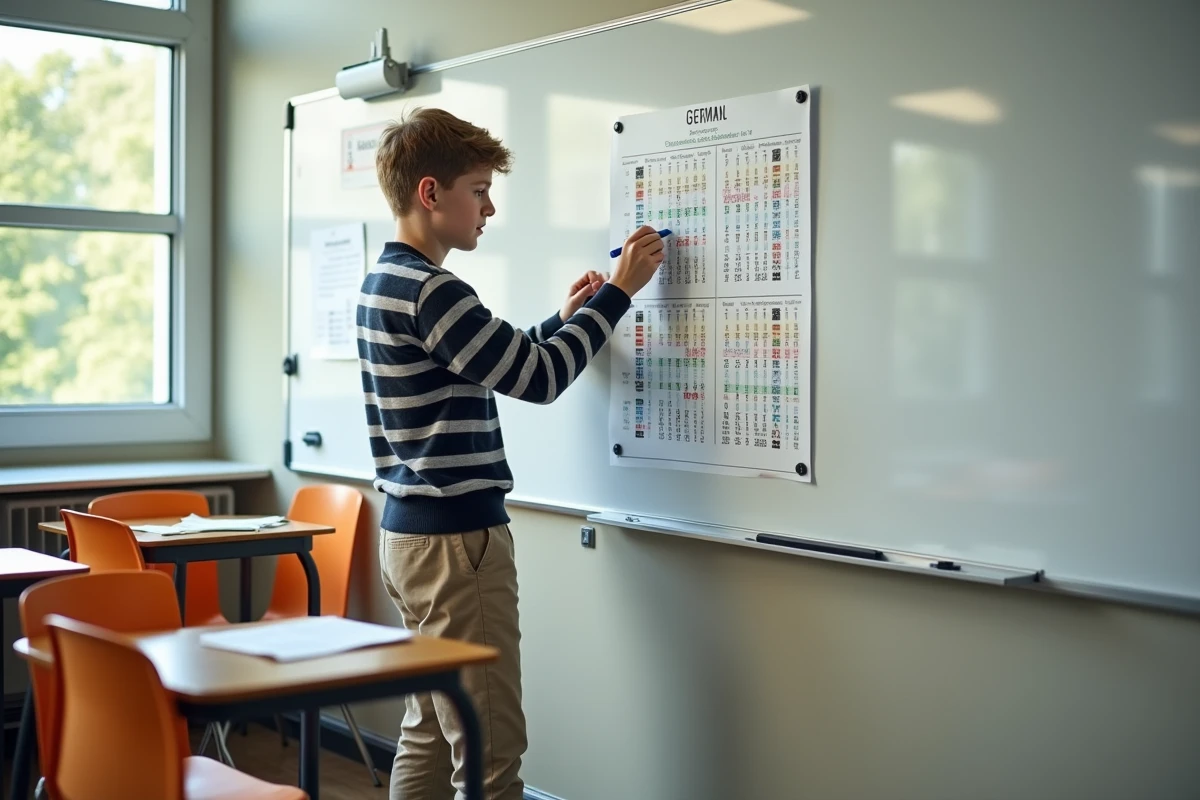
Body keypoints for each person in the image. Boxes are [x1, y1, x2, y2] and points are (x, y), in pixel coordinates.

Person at [357, 106, 664, 800]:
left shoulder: (388, 282)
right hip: (457, 544)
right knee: (490, 746)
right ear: (430, 194)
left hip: (409, 536)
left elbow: (496, 358)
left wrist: (566, 319)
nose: (489, 207)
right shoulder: (433, 289)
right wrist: (617, 296)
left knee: (430, 731)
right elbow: (539, 377)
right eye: (477, 189)